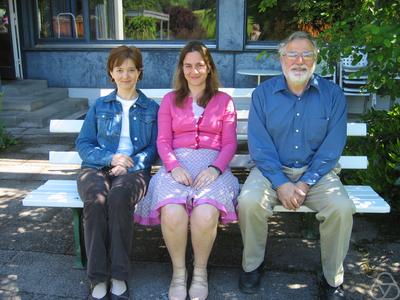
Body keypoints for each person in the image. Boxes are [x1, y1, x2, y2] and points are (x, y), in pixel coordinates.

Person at [237, 31, 355, 300]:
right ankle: (252, 266)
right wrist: (281, 183)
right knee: (249, 202)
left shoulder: (333, 95)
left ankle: (332, 278)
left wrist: (304, 183)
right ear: (282, 60)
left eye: (306, 54)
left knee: (341, 208)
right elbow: (259, 144)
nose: (299, 60)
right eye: (292, 54)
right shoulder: (263, 94)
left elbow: (332, 146)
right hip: (271, 171)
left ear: (315, 60)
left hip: (316, 174)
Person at [134, 41, 239, 300]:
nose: (194, 71)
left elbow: (229, 143)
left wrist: (215, 168)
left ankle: (200, 272)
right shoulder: (170, 100)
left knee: (205, 214)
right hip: (177, 166)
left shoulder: (224, 101)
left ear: (209, 67)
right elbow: (162, 141)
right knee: (172, 211)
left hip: (213, 167)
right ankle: (179, 273)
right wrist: (173, 166)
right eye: (188, 66)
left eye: (199, 65)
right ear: (182, 69)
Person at [76, 45, 159, 300]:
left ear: (139, 72)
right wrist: (110, 157)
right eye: (119, 70)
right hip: (96, 168)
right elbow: (84, 143)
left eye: (131, 70)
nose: (125, 75)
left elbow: (154, 147)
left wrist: (129, 163)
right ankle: (98, 277)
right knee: (96, 200)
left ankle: (120, 275)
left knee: (119, 198)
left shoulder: (151, 108)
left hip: (133, 171)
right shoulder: (100, 105)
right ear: (111, 73)